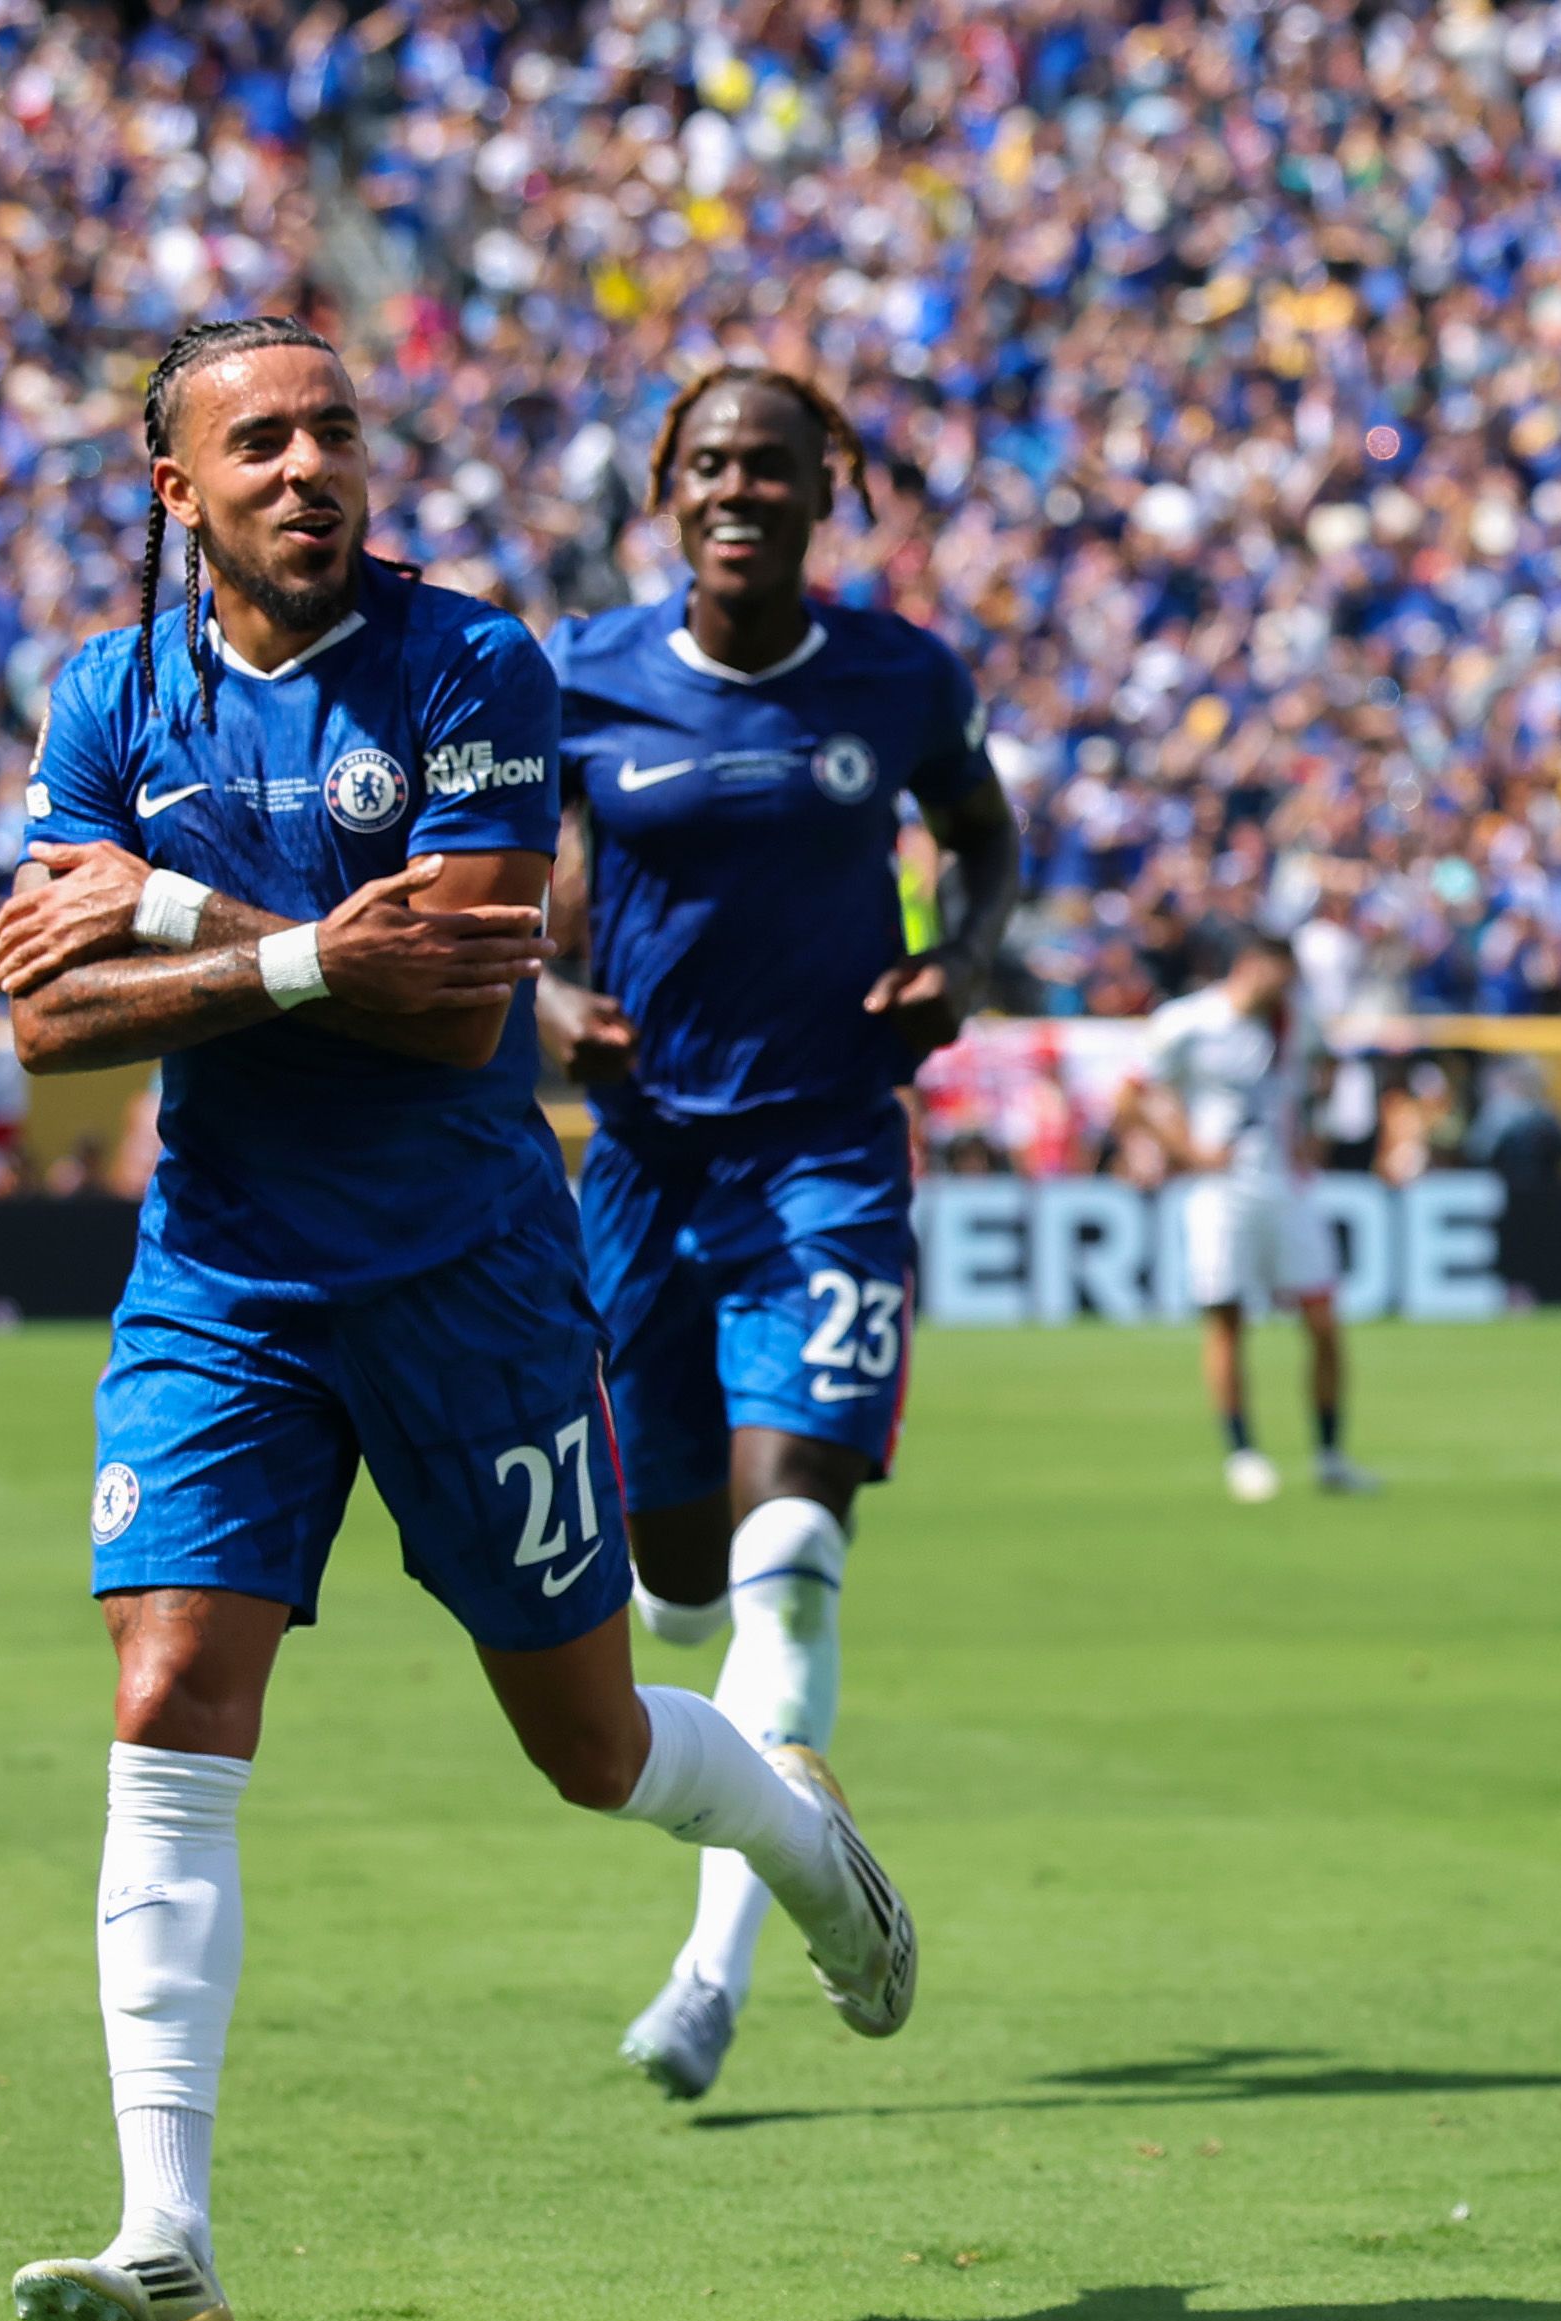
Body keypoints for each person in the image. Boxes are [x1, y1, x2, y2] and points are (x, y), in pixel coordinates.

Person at [0, 317, 913, 2321]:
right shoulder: (105, 696)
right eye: (263, 442)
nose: (311, 467)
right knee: (167, 1681)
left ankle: (788, 1821)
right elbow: (44, 1024)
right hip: (219, 1272)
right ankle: (165, 2232)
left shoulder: (476, 661)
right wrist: (301, 940)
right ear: (178, 488)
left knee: (586, 1746)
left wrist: (172, 921)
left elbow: (448, 990)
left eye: (335, 432)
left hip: (467, 1269)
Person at [537, 366, 1022, 2101]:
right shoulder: (576, 675)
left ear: (828, 491)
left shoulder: (898, 675)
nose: (739, 488)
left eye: (774, 466)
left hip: (829, 1157)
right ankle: (734, 1702)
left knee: (790, 1552)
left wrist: (957, 966)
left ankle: (718, 1967)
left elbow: (985, 837)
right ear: (663, 490)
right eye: (709, 464)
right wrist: (543, 994)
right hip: (649, 1168)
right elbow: (502, 881)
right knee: (676, 1584)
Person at [1121, 934, 1369, 1500]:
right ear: (1249, 967)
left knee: (1324, 1322)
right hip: (1219, 1190)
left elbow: (1328, 1071)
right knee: (1228, 1320)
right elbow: (1130, 1095)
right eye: (1278, 977)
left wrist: (1316, 1134)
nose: (1284, 990)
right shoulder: (1189, 1021)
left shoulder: (1295, 1021)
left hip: (1287, 1184)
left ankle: (1331, 1456)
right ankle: (1243, 1454)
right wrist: (1185, 1149)